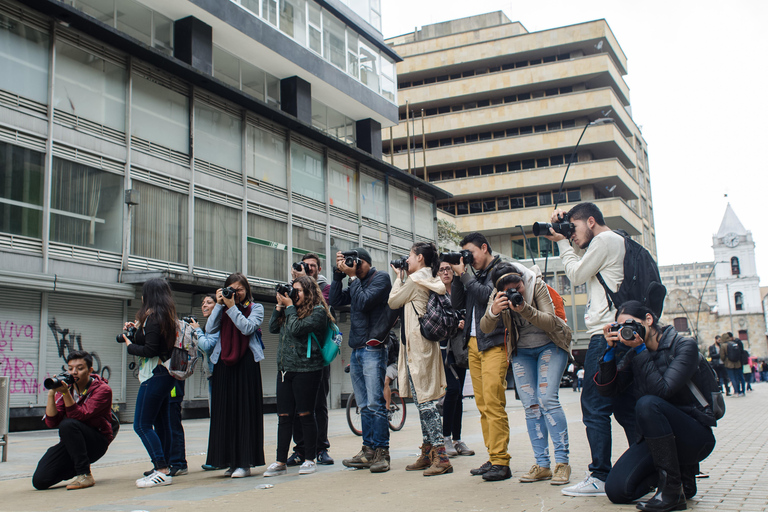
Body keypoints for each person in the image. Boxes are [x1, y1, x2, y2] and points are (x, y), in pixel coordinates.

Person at [545, 202, 636, 496]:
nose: (571, 234)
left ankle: (599, 475)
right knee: (624, 407)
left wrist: (561, 243)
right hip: (619, 335)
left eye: (575, 227)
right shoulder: (616, 241)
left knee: (594, 406)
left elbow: (576, 274)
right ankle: (653, 464)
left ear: (592, 221)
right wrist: (568, 233)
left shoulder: (605, 240)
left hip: (605, 335)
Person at [597, 301, 716, 511]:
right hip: (659, 441)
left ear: (649, 320)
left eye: (630, 324)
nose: (627, 330)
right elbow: (608, 390)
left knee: (648, 403)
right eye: (621, 326)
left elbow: (663, 391)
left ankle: (671, 491)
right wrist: (608, 351)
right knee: (617, 490)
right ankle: (681, 481)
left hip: (695, 437)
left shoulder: (683, 346)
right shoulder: (634, 355)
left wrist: (640, 349)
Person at [480, 261, 573, 485]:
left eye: (518, 286)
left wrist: (524, 308)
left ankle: (562, 464)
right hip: (522, 352)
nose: (515, 292)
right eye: (509, 289)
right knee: (531, 406)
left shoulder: (536, 286)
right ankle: (542, 465)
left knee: (548, 400)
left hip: (550, 345)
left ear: (523, 280)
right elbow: (484, 328)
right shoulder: (496, 296)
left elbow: (551, 322)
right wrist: (494, 311)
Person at [449, 232, 510, 481]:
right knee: (483, 405)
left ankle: (502, 462)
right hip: (473, 344)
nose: (469, 259)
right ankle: (493, 457)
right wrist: (456, 276)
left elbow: (488, 297)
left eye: (470, 253)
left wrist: (465, 275)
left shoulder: (502, 268)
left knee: (494, 403)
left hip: (494, 342)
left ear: (484, 248)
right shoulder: (475, 274)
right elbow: (456, 303)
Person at [387, 241, 453, 475]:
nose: (407, 260)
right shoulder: (427, 278)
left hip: (418, 349)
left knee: (425, 403)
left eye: (410, 256)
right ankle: (428, 452)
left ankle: (441, 456)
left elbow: (393, 301)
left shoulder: (416, 280)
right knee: (422, 400)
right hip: (422, 347)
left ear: (420, 258)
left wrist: (399, 277)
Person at [264, 276, 334, 477]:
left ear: (310, 292)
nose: (295, 294)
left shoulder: (318, 312)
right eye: (293, 290)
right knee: (284, 417)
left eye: (299, 290)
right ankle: (279, 461)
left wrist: (289, 307)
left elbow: (296, 329)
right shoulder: (288, 310)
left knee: (305, 414)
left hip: (307, 370)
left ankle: (310, 459)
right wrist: (279, 306)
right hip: (285, 370)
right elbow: (272, 328)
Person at [331, 247, 393, 473]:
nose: (352, 265)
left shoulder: (381, 278)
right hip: (357, 348)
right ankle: (368, 451)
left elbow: (365, 302)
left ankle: (382, 453)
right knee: (364, 404)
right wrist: (338, 275)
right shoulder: (354, 281)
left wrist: (352, 276)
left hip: (373, 348)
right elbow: (336, 300)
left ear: (364, 262)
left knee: (376, 403)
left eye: (354, 262)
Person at [205, 272, 266, 478]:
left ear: (247, 290)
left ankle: (244, 463)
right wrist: (220, 304)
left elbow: (247, 328)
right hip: (223, 363)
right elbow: (210, 328)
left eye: (239, 289)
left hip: (246, 364)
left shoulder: (256, 308)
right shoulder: (222, 307)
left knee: (244, 413)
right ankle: (229, 461)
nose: (235, 293)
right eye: (231, 289)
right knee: (225, 413)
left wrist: (231, 307)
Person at [32, 351, 114, 490]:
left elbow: (79, 416)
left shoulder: (103, 390)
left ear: (90, 370)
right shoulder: (67, 388)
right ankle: (76, 467)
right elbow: (51, 422)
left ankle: (84, 474)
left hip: (96, 441)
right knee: (41, 480)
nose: (74, 372)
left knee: (68, 424)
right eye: (70, 368)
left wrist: (64, 393)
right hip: (73, 442)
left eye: (80, 368)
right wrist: (52, 394)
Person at [125, 278, 178, 488]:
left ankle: (162, 469)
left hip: (155, 375)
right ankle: (164, 466)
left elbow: (150, 350)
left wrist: (130, 345)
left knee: (141, 424)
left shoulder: (154, 318)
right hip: (165, 375)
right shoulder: (165, 316)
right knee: (162, 424)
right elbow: (151, 343)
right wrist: (135, 331)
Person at [286, 253, 334, 466]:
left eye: (313, 266)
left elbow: (322, 305)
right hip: (295, 355)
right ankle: (301, 448)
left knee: (319, 403)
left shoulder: (325, 287)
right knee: (297, 405)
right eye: (305, 266)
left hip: (317, 355)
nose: (309, 268)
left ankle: (321, 447)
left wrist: (306, 281)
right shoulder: (293, 289)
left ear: (319, 269)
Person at [437, 260, 474, 457]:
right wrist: (453, 323)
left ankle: (458, 439)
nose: (445, 273)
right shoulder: (435, 294)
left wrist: (464, 322)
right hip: (443, 347)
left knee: (458, 394)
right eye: (442, 269)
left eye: (448, 269)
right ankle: (445, 438)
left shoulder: (461, 292)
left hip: (460, 348)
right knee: (452, 390)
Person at [189, 294, 221, 471]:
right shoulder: (209, 325)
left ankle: (217, 458)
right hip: (211, 373)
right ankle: (215, 457)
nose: (204, 306)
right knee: (215, 416)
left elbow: (208, 346)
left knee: (217, 416)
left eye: (209, 302)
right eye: (202, 303)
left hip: (217, 374)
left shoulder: (214, 325)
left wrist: (197, 331)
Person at [719, 332, 745, 396]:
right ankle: (739, 391)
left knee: (732, 378)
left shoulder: (723, 345)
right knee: (737, 377)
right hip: (737, 363)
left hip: (729, 363)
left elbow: (722, 356)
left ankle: (736, 392)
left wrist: (725, 361)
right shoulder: (734, 343)